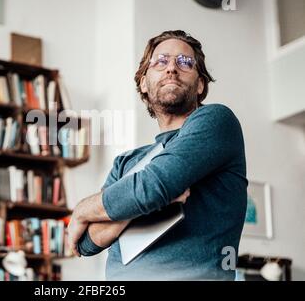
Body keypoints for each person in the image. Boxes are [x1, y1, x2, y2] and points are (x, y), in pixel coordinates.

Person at [67, 30, 248, 280]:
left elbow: (154, 185)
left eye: (185, 62)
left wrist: (81, 210)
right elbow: (87, 243)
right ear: (143, 82)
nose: (172, 68)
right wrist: (141, 206)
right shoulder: (125, 162)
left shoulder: (217, 121)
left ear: (200, 84)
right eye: (161, 61)